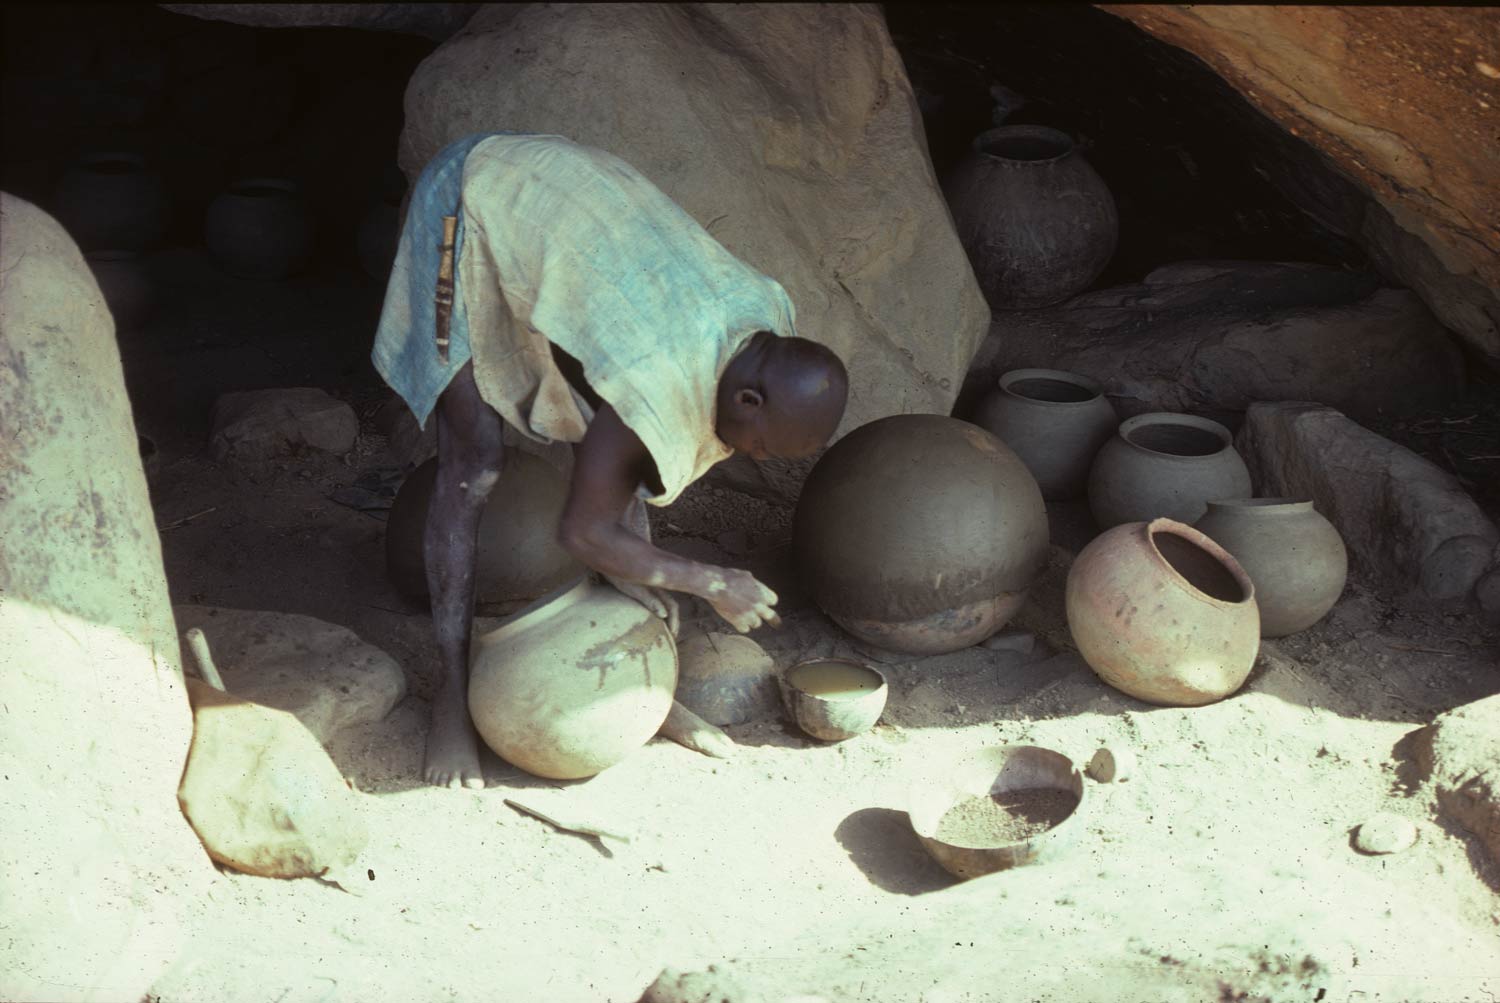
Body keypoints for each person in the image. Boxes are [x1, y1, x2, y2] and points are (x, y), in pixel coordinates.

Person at [372, 133, 849, 788]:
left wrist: (658, 576)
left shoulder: (765, 310)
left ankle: (654, 689)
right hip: (476, 197)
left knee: (621, 455)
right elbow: (582, 532)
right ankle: (451, 696)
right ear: (747, 395)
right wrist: (707, 580)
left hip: (584, 230)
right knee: (473, 460)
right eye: (761, 442)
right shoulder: (657, 377)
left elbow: (634, 464)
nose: (752, 454)